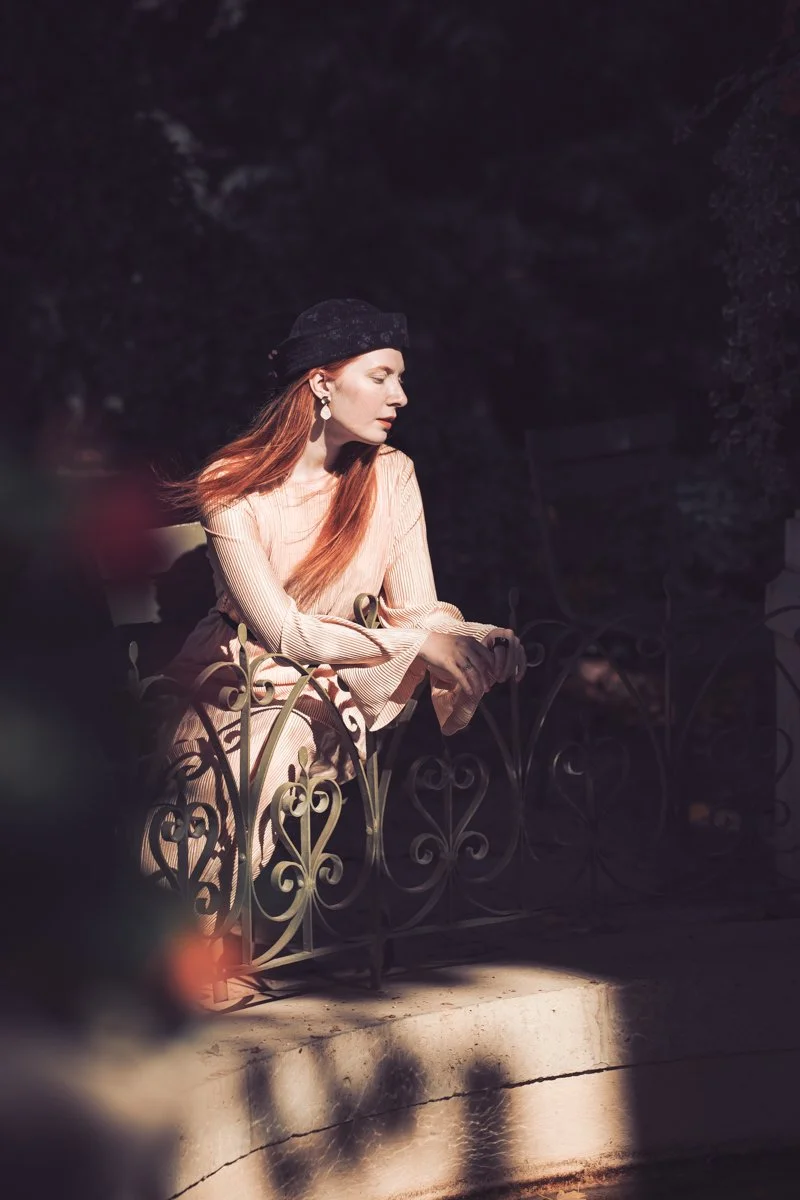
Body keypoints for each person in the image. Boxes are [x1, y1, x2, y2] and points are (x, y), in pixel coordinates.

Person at [142, 299, 526, 950]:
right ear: (322, 383)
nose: (400, 395)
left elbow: (418, 611)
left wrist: (474, 639)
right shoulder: (231, 486)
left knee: (288, 733)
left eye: (400, 378)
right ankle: (185, 943)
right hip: (235, 678)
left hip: (331, 684)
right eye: (380, 376)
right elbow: (282, 632)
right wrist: (419, 644)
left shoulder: (392, 474)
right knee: (263, 746)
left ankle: (198, 945)